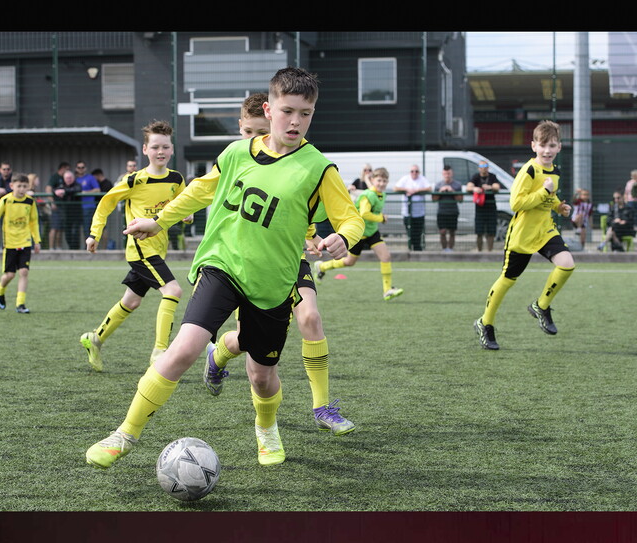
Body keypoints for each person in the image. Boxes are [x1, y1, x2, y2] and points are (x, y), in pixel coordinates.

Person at [85, 67, 364, 470]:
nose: (295, 121)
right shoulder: (236, 153)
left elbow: (351, 219)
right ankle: (124, 434)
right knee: (184, 348)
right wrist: (159, 221)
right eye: (287, 111)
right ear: (268, 110)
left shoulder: (319, 168)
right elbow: (200, 190)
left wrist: (344, 237)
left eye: (305, 113)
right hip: (222, 265)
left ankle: (266, 428)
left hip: (273, 284)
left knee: (261, 377)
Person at [204, 92, 356, 436]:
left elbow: (301, 208)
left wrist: (320, 236)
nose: (255, 140)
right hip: (246, 264)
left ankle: (322, 407)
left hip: (290, 259)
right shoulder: (237, 159)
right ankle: (219, 355)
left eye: (260, 132)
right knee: (247, 341)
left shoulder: (304, 160)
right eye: (248, 133)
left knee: (311, 318)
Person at [79, 121, 189, 372]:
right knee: (173, 291)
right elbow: (106, 203)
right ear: (145, 149)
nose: (160, 152)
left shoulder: (176, 179)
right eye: (155, 147)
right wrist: (94, 234)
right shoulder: (134, 180)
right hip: (140, 249)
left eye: (165, 147)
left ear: (172, 149)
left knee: (131, 301)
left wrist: (187, 215)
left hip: (159, 249)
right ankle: (160, 352)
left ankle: (95, 338)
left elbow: (184, 203)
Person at [474, 120, 574, 351]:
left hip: (545, 230)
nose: (547, 150)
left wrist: (558, 206)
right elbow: (516, 203)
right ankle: (485, 323)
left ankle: (541, 306)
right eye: (543, 145)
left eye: (552, 145)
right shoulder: (529, 170)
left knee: (567, 264)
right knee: (508, 280)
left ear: (559, 147)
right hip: (522, 235)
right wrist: (544, 191)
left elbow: (550, 197)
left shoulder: (555, 171)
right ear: (533, 146)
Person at [314, 166, 405, 300]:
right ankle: (322, 266)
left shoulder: (382, 194)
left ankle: (387, 290)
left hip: (372, 232)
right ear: (372, 180)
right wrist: (381, 218)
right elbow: (364, 213)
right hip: (358, 234)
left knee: (386, 257)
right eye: (379, 180)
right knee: (349, 262)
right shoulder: (368, 195)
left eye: (385, 181)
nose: (382, 183)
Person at [0, 172, 41, 314]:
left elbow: (34, 222)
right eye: (19, 186)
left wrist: (37, 240)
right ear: (12, 186)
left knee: (24, 271)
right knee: (10, 275)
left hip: (25, 241)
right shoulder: (6, 201)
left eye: (25, 186)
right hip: (10, 243)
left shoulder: (30, 202)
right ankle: (0, 290)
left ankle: (20, 304)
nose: (22, 189)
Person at [466, 160, 502, 252]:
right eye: (481, 167)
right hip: (480, 208)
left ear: (488, 168)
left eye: (485, 166)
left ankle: (490, 251)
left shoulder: (492, 176)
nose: (483, 169)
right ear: (479, 168)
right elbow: (468, 187)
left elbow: (497, 187)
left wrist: (490, 187)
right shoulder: (476, 177)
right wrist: (474, 188)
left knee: (491, 231)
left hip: (491, 207)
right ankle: (479, 251)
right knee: (479, 232)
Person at [393, 164, 432, 250]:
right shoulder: (405, 178)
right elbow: (395, 188)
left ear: (419, 172)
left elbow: (429, 188)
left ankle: (416, 250)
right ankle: (413, 249)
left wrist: (416, 190)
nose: (414, 173)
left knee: (417, 234)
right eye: (412, 171)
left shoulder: (422, 179)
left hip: (419, 213)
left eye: (416, 171)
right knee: (410, 233)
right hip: (407, 213)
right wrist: (407, 189)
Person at [432, 165, 463, 251]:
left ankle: (450, 250)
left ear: (452, 173)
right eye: (445, 173)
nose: (447, 175)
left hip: (453, 211)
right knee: (442, 231)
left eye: (448, 173)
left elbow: (460, 200)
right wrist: (440, 191)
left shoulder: (457, 184)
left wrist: (452, 191)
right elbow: (434, 199)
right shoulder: (438, 185)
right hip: (442, 211)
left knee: (452, 232)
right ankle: (444, 249)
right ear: (443, 174)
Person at [45, 162, 70, 250]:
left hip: (63, 207)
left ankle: (58, 246)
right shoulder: (55, 177)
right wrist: (52, 202)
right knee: (54, 227)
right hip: (56, 207)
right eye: (67, 169)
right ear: (62, 168)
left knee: (60, 228)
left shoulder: (65, 178)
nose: (68, 171)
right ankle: (51, 247)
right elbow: (48, 189)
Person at [58, 169, 83, 250]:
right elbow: (55, 190)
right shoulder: (61, 185)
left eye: (70, 178)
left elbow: (77, 190)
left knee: (75, 233)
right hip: (66, 214)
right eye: (67, 178)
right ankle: (71, 248)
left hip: (76, 214)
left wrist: (64, 191)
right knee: (67, 233)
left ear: (73, 178)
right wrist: (58, 192)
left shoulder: (77, 185)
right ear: (64, 179)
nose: (68, 179)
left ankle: (76, 249)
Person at [74, 161, 100, 235]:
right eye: (79, 167)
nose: (81, 169)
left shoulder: (90, 178)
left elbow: (97, 190)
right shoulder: (75, 179)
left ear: (85, 168)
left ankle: (88, 242)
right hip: (77, 208)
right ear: (76, 169)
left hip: (88, 207)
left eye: (82, 167)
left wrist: (86, 192)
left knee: (87, 228)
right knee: (77, 229)